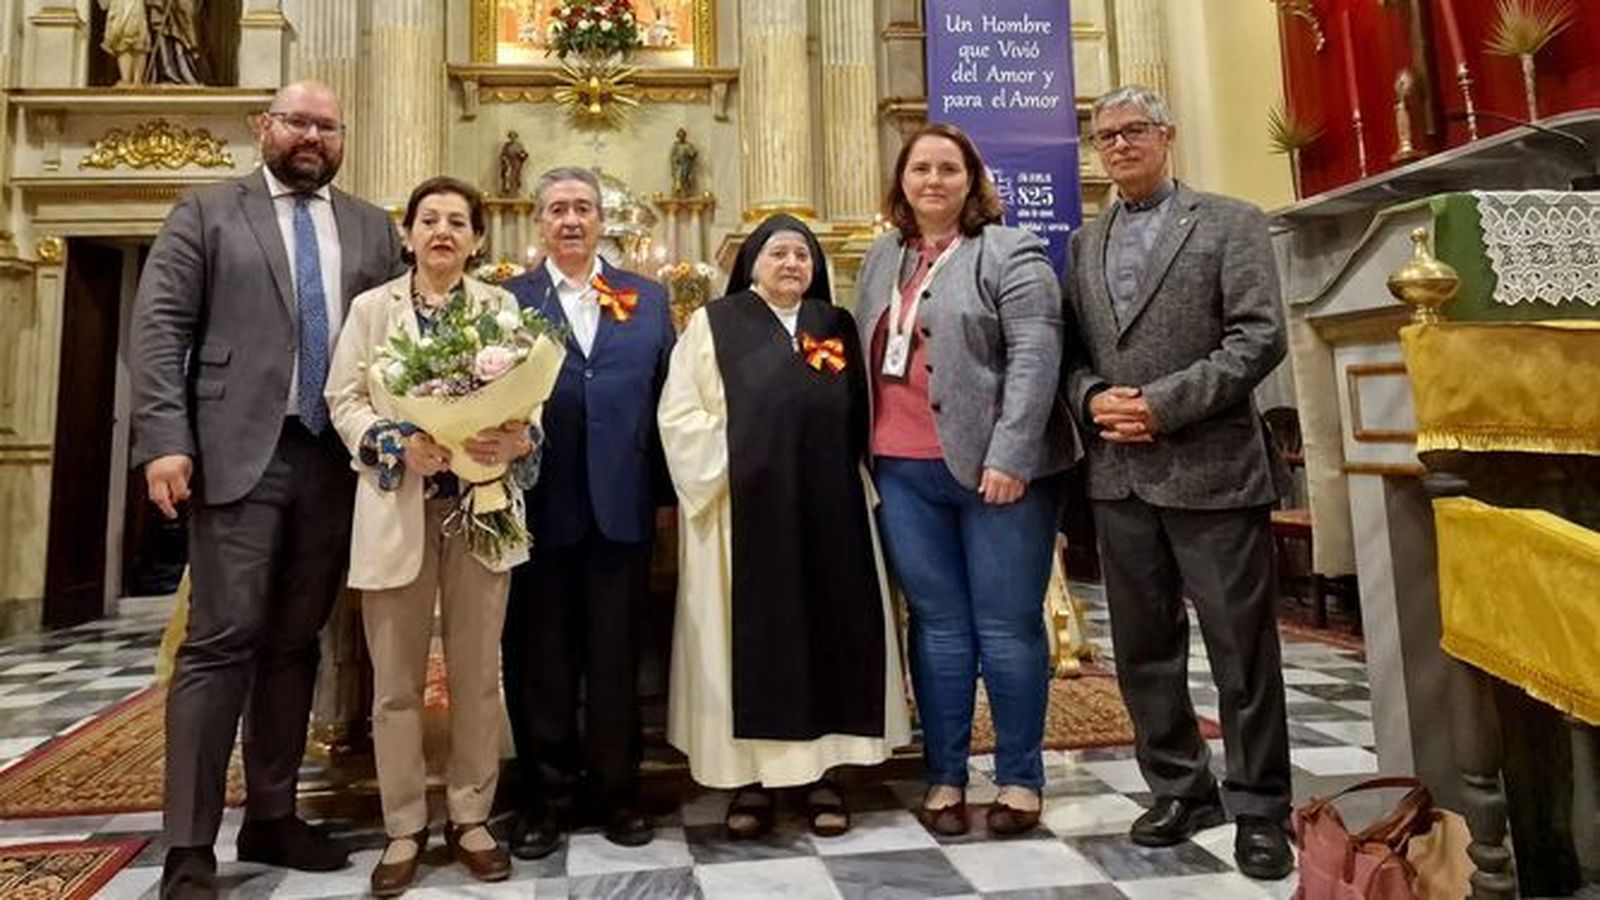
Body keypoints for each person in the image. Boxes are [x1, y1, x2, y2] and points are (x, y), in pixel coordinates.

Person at [129, 81, 403, 899]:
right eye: (297, 122)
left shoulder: (368, 225)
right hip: (235, 456)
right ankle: (188, 844)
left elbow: (401, 331)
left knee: (295, 643)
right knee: (220, 643)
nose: (311, 136)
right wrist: (165, 442)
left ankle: (274, 815)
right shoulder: (207, 212)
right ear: (264, 128)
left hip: (332, 460)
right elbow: (160, 328)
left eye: (326, 124)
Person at [1061, 84, 1293, 880]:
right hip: (1120, 478)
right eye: (1105, 136)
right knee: (1143, 650)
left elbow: (1259, 338)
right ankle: (1181, 788)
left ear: (1166, 135)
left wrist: (1160, 406)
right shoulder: (1082, 245)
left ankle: (1261, 805)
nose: (1118, 146)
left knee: (1241, 652)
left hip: (1212, 470)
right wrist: (1095, 399)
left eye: (1132, 131)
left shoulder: (1230, 222)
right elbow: (1074, 356)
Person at [856, 122, 1079, 838]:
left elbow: (1037, 356)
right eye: (919, 168)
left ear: (972, 180)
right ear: (902, 182)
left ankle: (1018, 778)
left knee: (1007, 626)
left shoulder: (1011, 250)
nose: (932, 180)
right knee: (940, 626)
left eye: (948, 168)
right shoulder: (882, 256)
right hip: (901, 467)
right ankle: (945, 775)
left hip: (997, 473)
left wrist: (1012, 456)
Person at [659, 214, 911, 839]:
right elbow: (679, 416)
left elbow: (865, 412)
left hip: (832, 510)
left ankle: (827, 774)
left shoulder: (836, 325)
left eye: (802, 254)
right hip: (740, 512)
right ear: (751, 263)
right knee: (749, 640)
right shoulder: (713, 324)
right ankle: (750, 780)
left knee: (833, 629)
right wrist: (747, 450)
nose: (792, 263)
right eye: (778, 253)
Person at [325, 176, 537, 896]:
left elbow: (530, 405)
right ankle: (403, 824)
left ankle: (472, 817)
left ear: (478, 239)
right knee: (396, 685)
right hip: (399, 505)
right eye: (430, 220)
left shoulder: (502, 308)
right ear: (409, 233)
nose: (443, 231)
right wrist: (392, 442)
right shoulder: (371, 309)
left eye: (457, 222)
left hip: (480, 506)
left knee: (479, 676)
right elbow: (343, 399)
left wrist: (518, 436)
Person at [500, 166, 676, 858]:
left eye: (583, 209)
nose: (571, 220)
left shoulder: (648, 298)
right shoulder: (507, 300)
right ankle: (543, 797)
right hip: (537, 508)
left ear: (603, 220)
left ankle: (617, 792)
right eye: (557, 210)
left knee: (615, 660)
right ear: (537, 223)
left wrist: (665, 503)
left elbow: (667, 404)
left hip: (621, 509)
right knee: (539, 659)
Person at [145, 0, 202, 84]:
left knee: (182, 36)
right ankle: (168, 73)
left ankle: (189, 71)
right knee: (164, 36)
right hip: (162, 11)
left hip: (179, 12)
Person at [98, 0, 150, 85]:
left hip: (136, 6)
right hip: (119, 7)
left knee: (139, 38)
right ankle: (126, 79)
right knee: (122, 42)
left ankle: (138, 79)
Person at [669, 127, 699, 197]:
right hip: (678, 165)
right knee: (678, 179)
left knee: (685, 179)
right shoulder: (675, 146)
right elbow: (672, 156)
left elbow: (693, 154)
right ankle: (677, 192)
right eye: (680, 135)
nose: (681, 137)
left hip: (686, 165)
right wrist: (675, 160)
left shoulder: (688, 145)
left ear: (685, 136)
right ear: (678, 136)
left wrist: (694, 154)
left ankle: (686, 192)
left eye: (683, 135)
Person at [499, 131, 528, 198]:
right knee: (507, 178)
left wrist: (521, 156)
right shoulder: (506, 145)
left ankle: (515, 192)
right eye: (511, 136)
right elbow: (502, 155)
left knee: (515, 178)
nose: (512, 138)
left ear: (515, 137)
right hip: (508, 164)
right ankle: (507, 192)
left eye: (514, 136)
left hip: (516, 164)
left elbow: (523, 154)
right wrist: (504, 160)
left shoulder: (519, 145)